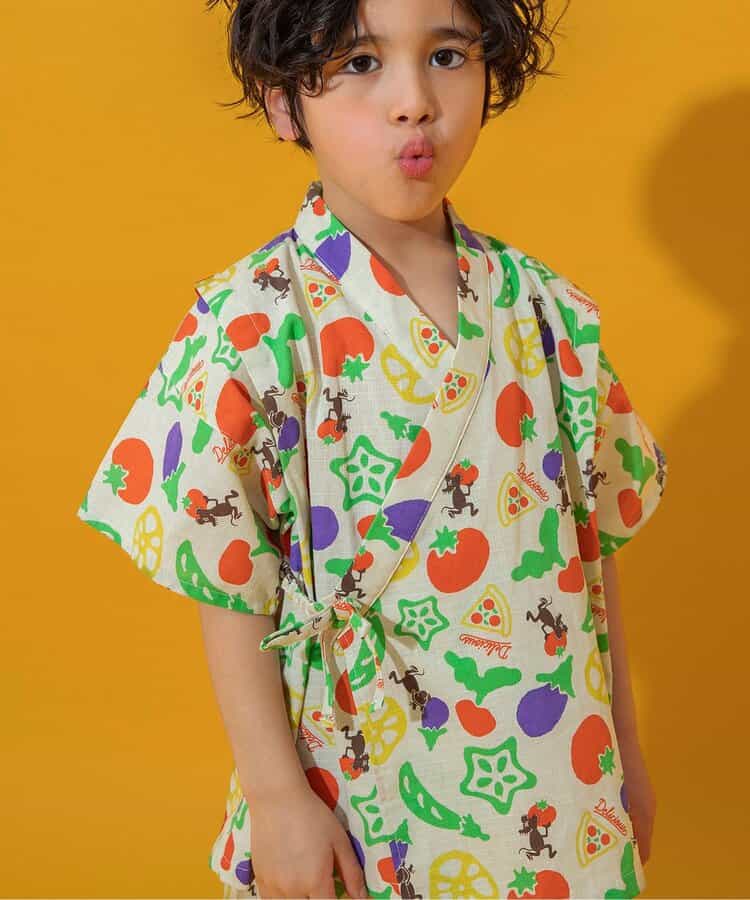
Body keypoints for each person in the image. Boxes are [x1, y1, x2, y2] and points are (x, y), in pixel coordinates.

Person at [75, 0, 668, 897]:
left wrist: (623, 749)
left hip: (554, 770)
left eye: (448, 55)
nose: (414, 100)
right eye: (359, 63)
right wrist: (277, 798)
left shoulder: (547, 310)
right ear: (284, 103)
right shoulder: (251, 321)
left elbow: (592, 558)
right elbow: (229, 580)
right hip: (352, 771)